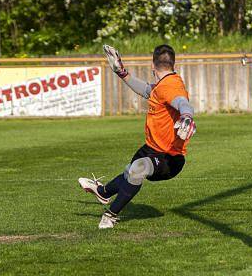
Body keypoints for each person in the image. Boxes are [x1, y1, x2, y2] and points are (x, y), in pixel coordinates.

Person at [78, 44, 196, 228]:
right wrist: (121, 72)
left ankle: (110, 216)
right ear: (173, 64)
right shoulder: (163, 85)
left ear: (152, 65)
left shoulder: (171, 86)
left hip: (169, 158)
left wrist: (187, 116)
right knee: (128, 172)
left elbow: (182, 102)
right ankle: (103, 192)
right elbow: (145, 89)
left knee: (137, 169)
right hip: (151, 148)